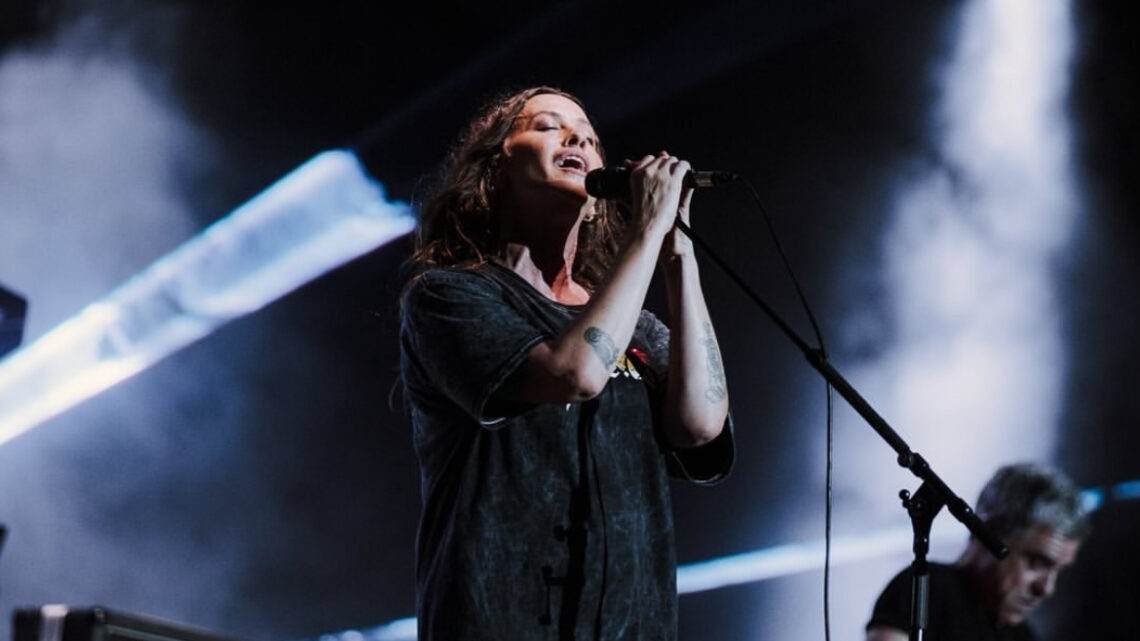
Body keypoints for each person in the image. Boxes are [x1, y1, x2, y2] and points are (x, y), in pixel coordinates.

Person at [398, 86, 735, 640]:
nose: (578, 137)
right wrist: (645, 232)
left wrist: (678, 252)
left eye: (590, 136)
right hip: (502, 621)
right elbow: (573, 373)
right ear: (496, 166)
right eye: (549, 126)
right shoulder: (448, 297)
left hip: (631, 625)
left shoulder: (639, 328)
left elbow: (699, 425)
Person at [865, 462, 1090, 641]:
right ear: (989, 531)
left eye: (1058, 570)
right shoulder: (926, 590)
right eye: (1036, 562)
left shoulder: (1023, 635)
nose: (1047, 588)